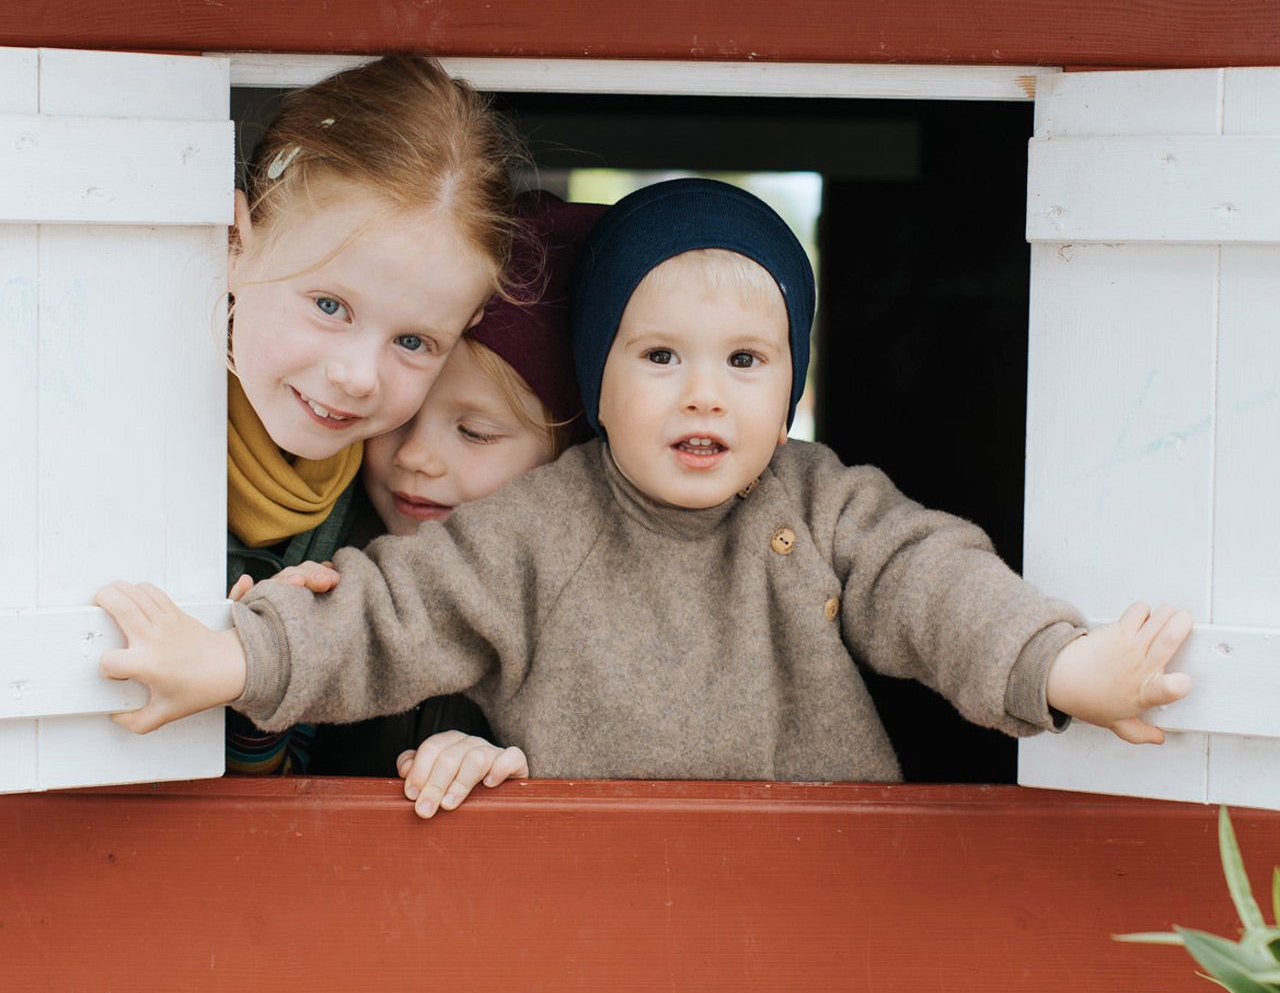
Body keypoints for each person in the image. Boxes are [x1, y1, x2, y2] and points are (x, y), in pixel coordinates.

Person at [96, 178, 1195, 810]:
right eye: (660, 356)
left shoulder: (825, 506)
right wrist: (232, 656)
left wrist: (1054, 663)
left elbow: (933, 584)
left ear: (791, 383)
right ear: (598, 384)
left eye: (746, 362)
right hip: (599, 906)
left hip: (826, 901)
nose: (702, 395)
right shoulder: (537, 526)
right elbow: (389, 613)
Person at [220, 52, 519, 774]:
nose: (357, 377)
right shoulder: (105, 434)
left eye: (414, 341)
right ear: (235, 241)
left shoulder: (373, 530)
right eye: (329, 305)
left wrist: (255, 694)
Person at [302, 192, 607, 816]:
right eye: (399, 418)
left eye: (475, 433)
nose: (417, 457)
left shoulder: (586, 612)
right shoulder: (324, 560)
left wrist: (497, 756)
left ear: (567, 456)